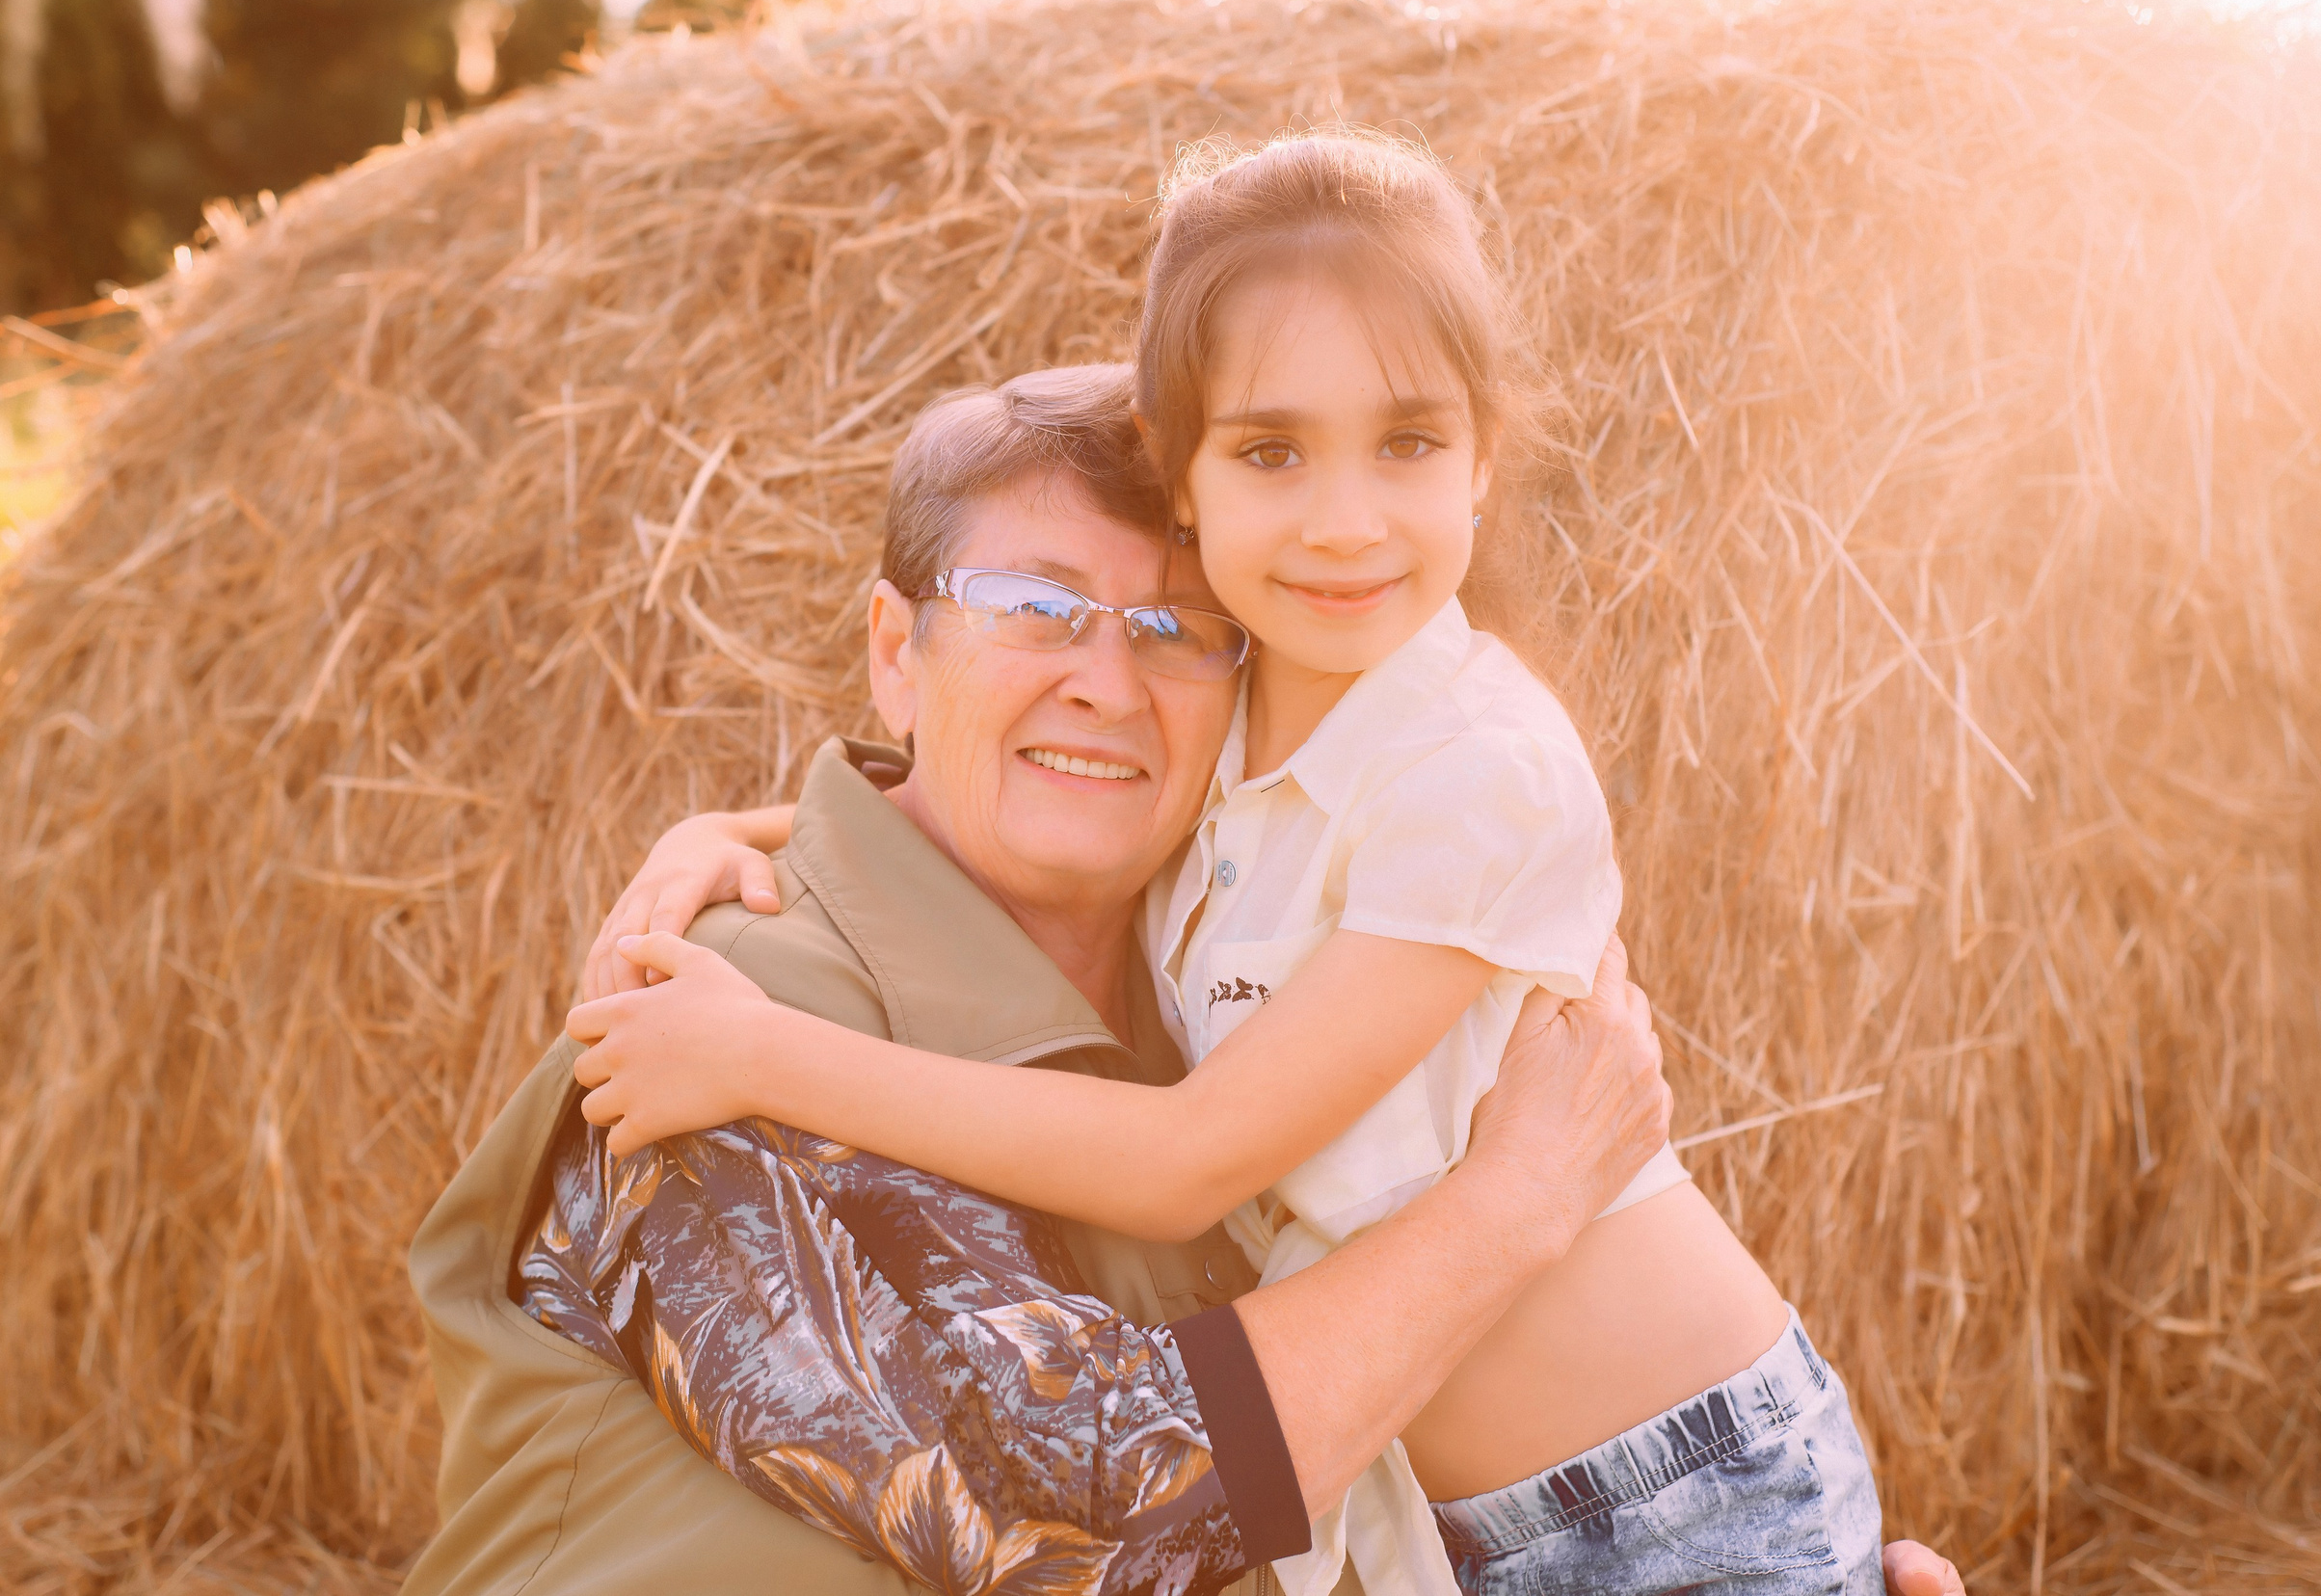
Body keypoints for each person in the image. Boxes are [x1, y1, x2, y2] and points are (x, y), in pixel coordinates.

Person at [573, 134, 1881, 1596]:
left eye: (1409, 442)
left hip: (1692, 1494)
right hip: (1474, 1539)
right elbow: (1052, 791)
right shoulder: (1232, 717)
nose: (1344, 521)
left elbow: (1186, 1164)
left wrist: (761, 1055)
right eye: (1271, 451)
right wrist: (742, 835)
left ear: (1486, 457)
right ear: (1182, 474)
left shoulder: (1479, 770)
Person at [404, 364, 1675, 1596]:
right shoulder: (723, 1018)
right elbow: (1077, 1522)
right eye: (1032, 605)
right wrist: (1517, 1199)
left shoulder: (1232, 1021)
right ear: (896, 654)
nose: (1108, 687)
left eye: (1179, 630)